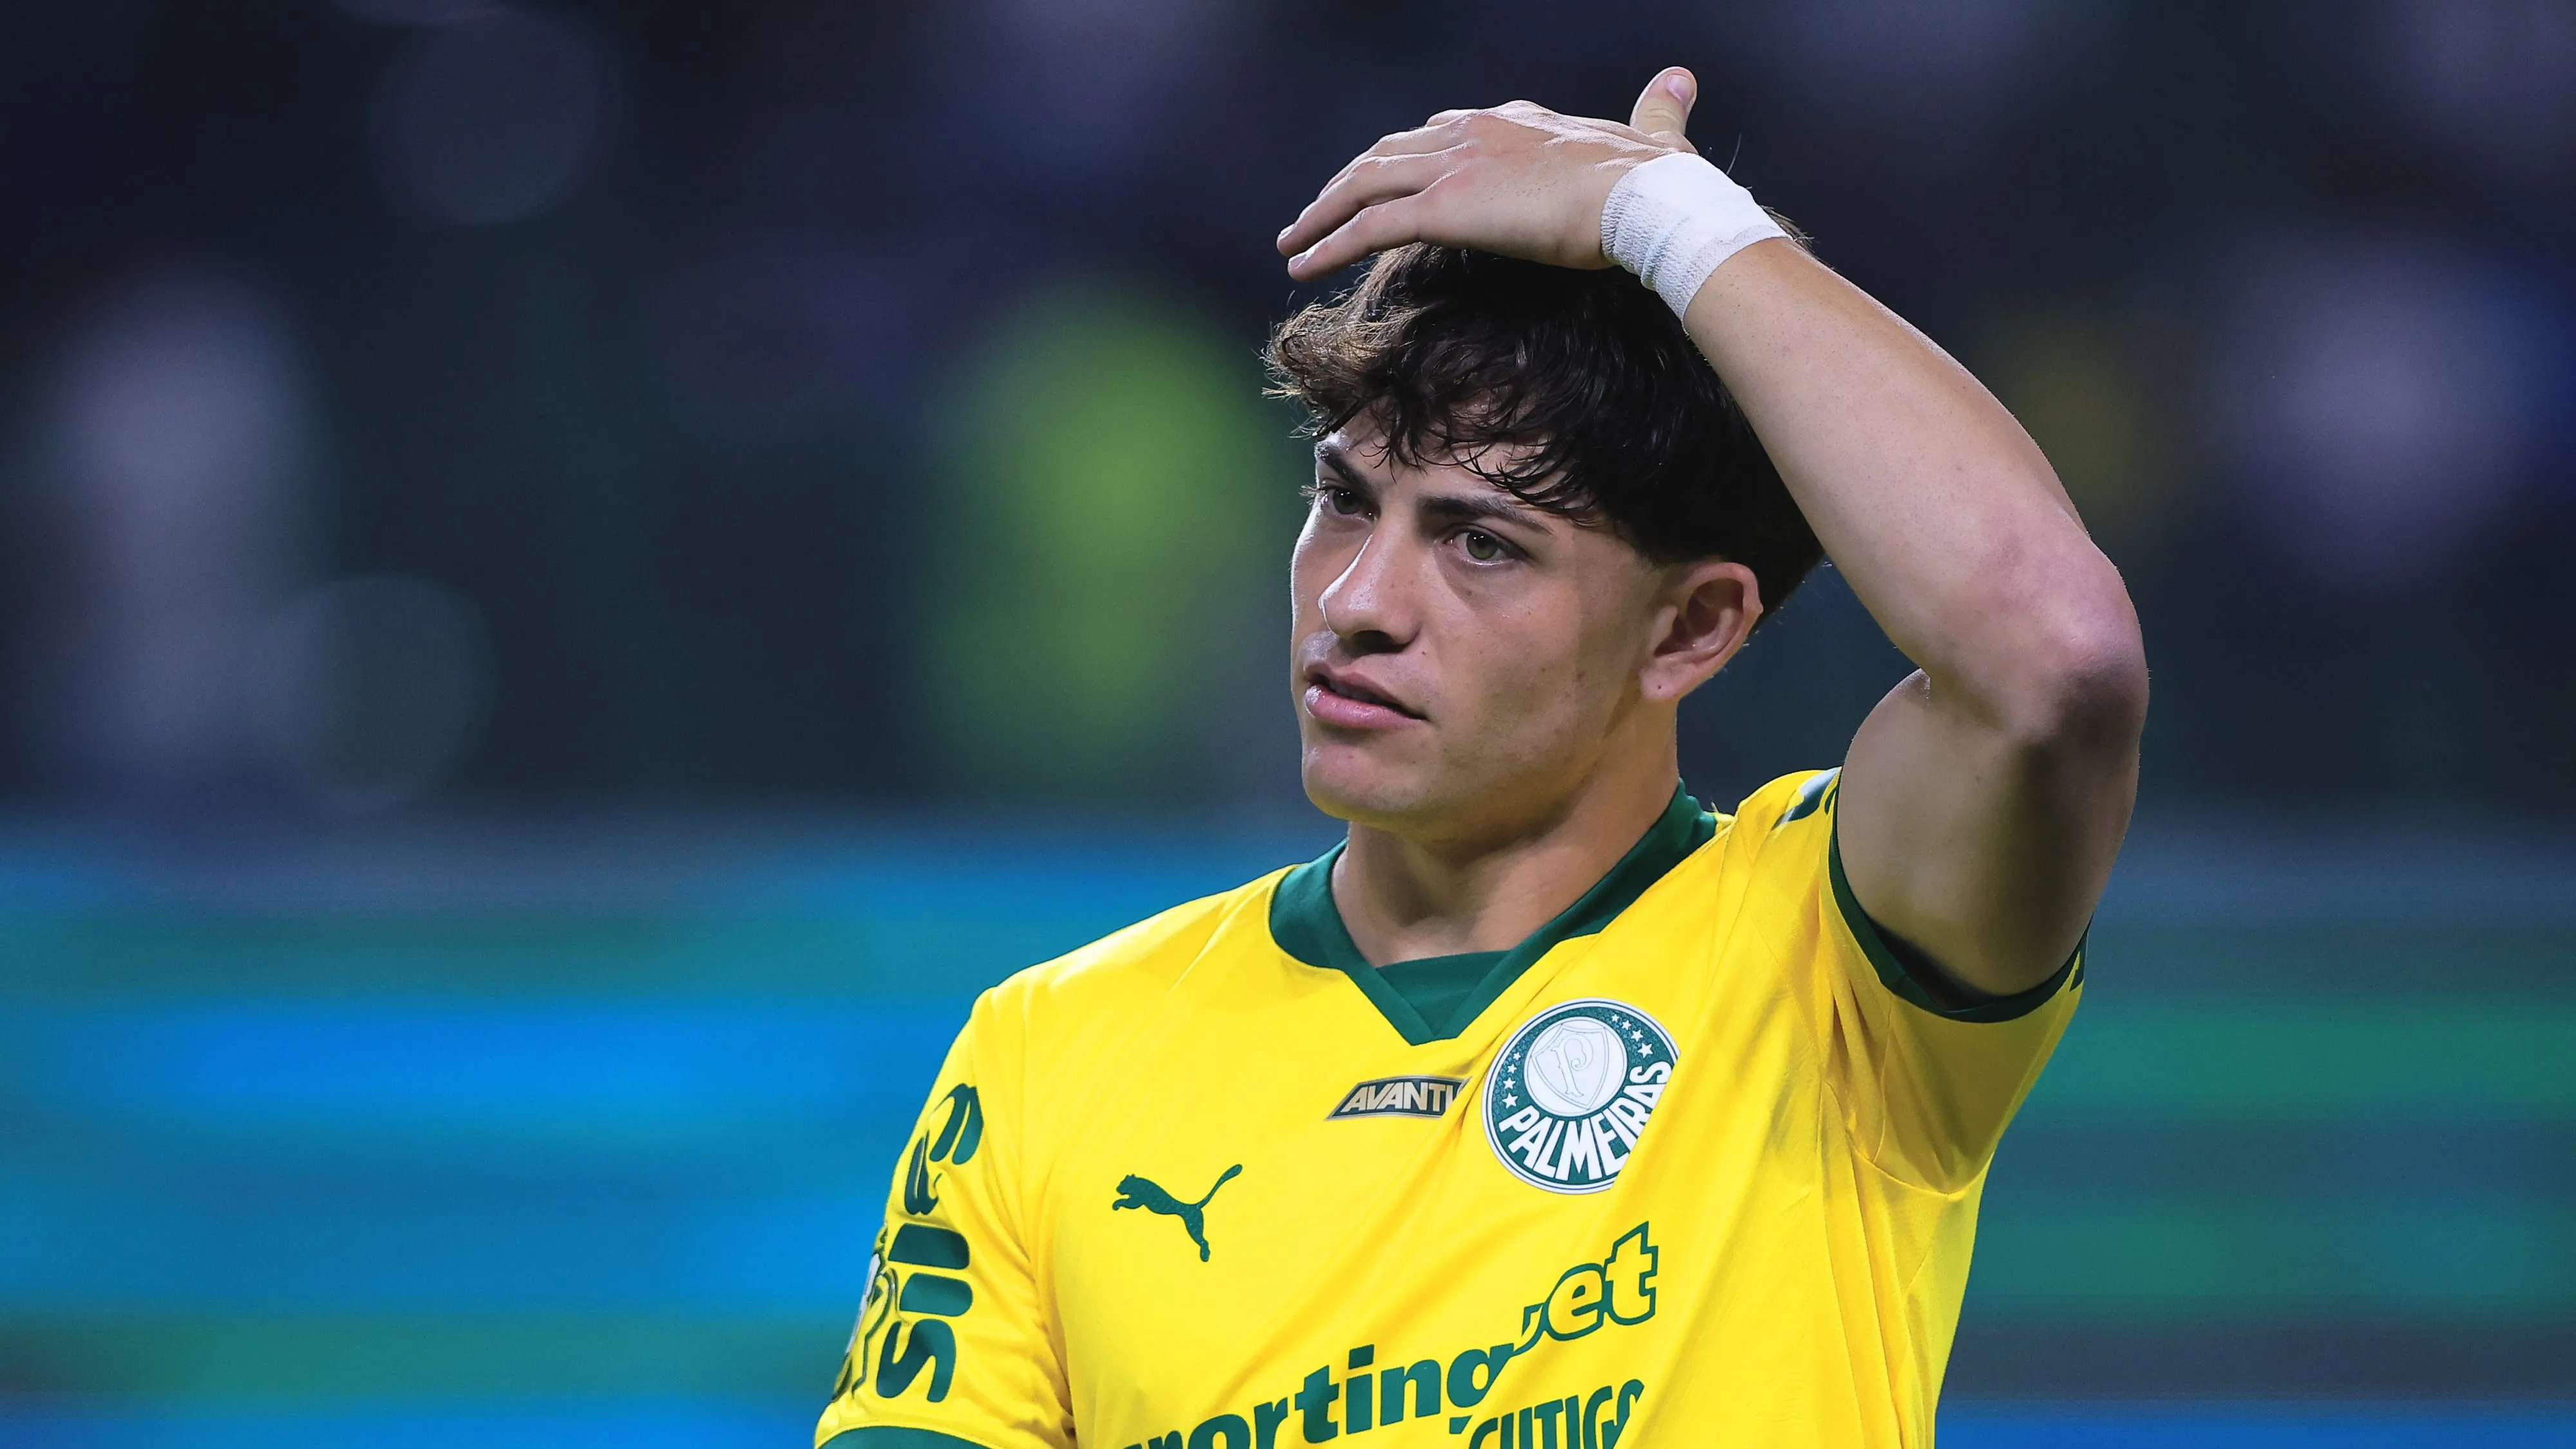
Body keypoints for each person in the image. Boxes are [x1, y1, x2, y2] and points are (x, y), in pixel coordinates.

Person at [817, 66, 2146, 1449]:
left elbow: (2053, 655)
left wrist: (1668, 219)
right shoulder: (1050, 1051)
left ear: (1689, 629)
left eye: (1479, 543)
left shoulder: (1826, 965)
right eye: (1342, 503)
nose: (1357, 603)